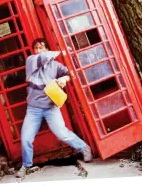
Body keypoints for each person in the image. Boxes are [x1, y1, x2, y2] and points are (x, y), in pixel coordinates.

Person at [16, 38, 92, 178]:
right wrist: (62, 51)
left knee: (62, 133)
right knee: (26, 138)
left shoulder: (56, 66)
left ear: (47, 49)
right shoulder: (31, 61)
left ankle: (84, 148)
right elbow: (44, 57)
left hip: (51, 108)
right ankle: (26, 165)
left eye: (42, 47)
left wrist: (65, 79)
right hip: (33, 109)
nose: (39, 50)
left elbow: (71, 73)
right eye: (36, 48)